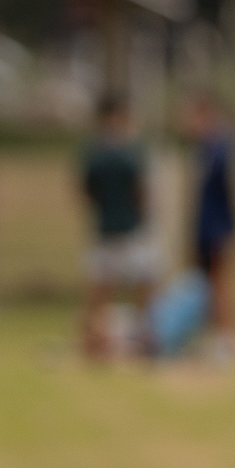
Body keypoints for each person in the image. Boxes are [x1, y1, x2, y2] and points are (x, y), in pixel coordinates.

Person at [79, 96, 159, 359]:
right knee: (102, 287)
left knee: (143, 283)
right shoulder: (110, 154)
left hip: (128, 229)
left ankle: (142, 338)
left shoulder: (117, 151)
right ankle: (92, 340)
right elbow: (139, 190)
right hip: (113, 229)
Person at [183, 91, 235, 358]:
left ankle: (230, 338)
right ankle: (210, 336)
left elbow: (229, 190)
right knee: (203, 285)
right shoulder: (203, 147)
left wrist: (228, 227)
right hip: (203, 226)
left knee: (222, 283)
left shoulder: (221, 145)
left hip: (218, 227)